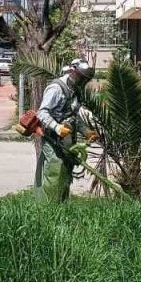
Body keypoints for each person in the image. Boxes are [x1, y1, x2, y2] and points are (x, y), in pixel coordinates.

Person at [33, 58, 94, 202]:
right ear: (73, 72)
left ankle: (62, 206)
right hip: (52, 138)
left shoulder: (75, 90)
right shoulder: (56, 88)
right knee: (55, 172)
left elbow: (73, 116)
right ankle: (48, 208)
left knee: (66, 172)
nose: (83, 82)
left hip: (67, 140)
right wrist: (57, 127)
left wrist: (86, 131)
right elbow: (42, 113)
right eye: (81, 78)